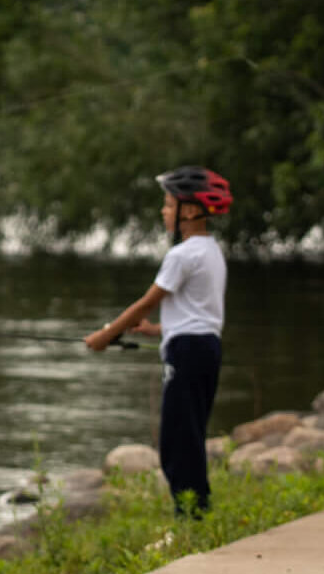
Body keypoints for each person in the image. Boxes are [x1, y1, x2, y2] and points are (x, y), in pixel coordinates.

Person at [84, 167, 230, 517]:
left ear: (191, 210)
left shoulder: (182, 255)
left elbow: (146, 302)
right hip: (205, 347)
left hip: (187, 352)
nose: (163, 212)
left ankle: (191, 517)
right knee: (191, 434)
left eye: (168, 205)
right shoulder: (212, 251)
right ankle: (198, 511)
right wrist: (155, 330)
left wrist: (107, 335)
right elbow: (200, 314)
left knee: (177, 442)